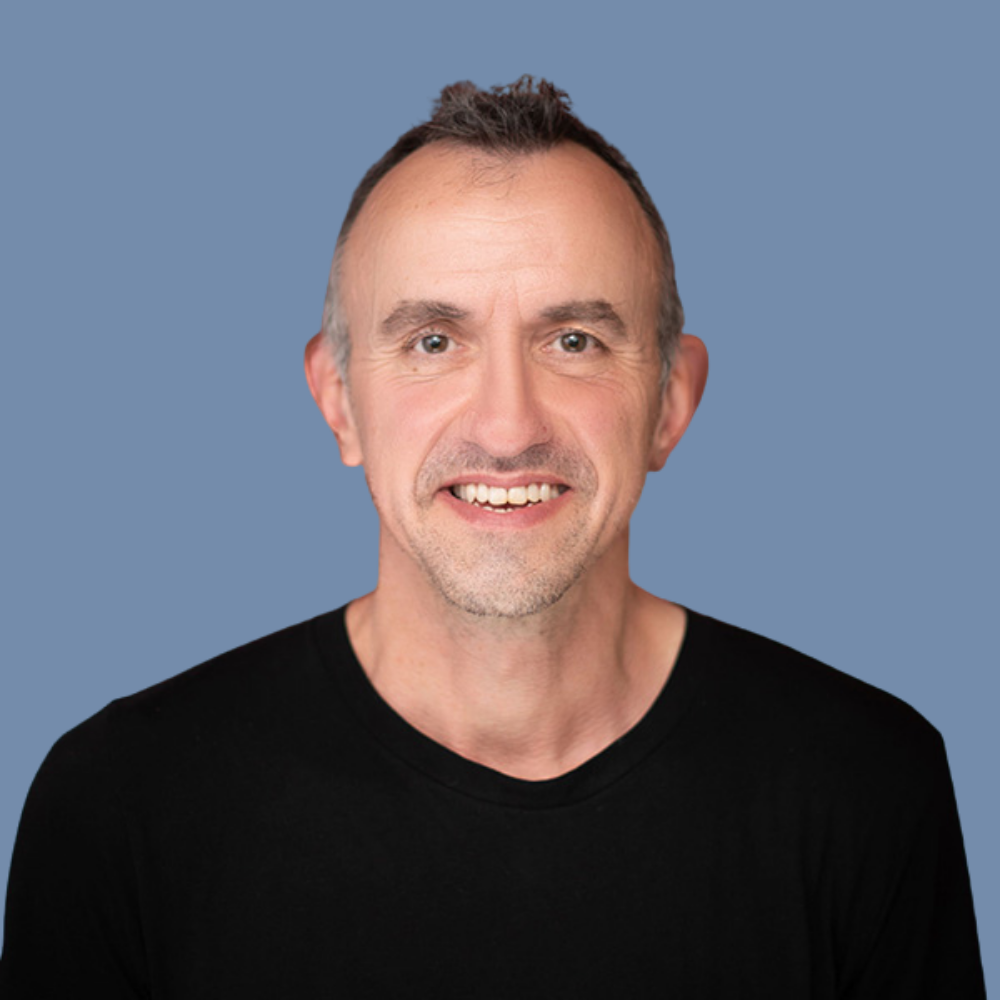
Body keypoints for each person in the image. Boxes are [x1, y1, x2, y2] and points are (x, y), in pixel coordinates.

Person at [0, 77, 985, 998]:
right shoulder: (123, 805)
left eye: (575, 342)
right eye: (433, 341)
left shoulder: (863, 784)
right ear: (338, 400)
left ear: (670, 403)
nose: (509, 427)